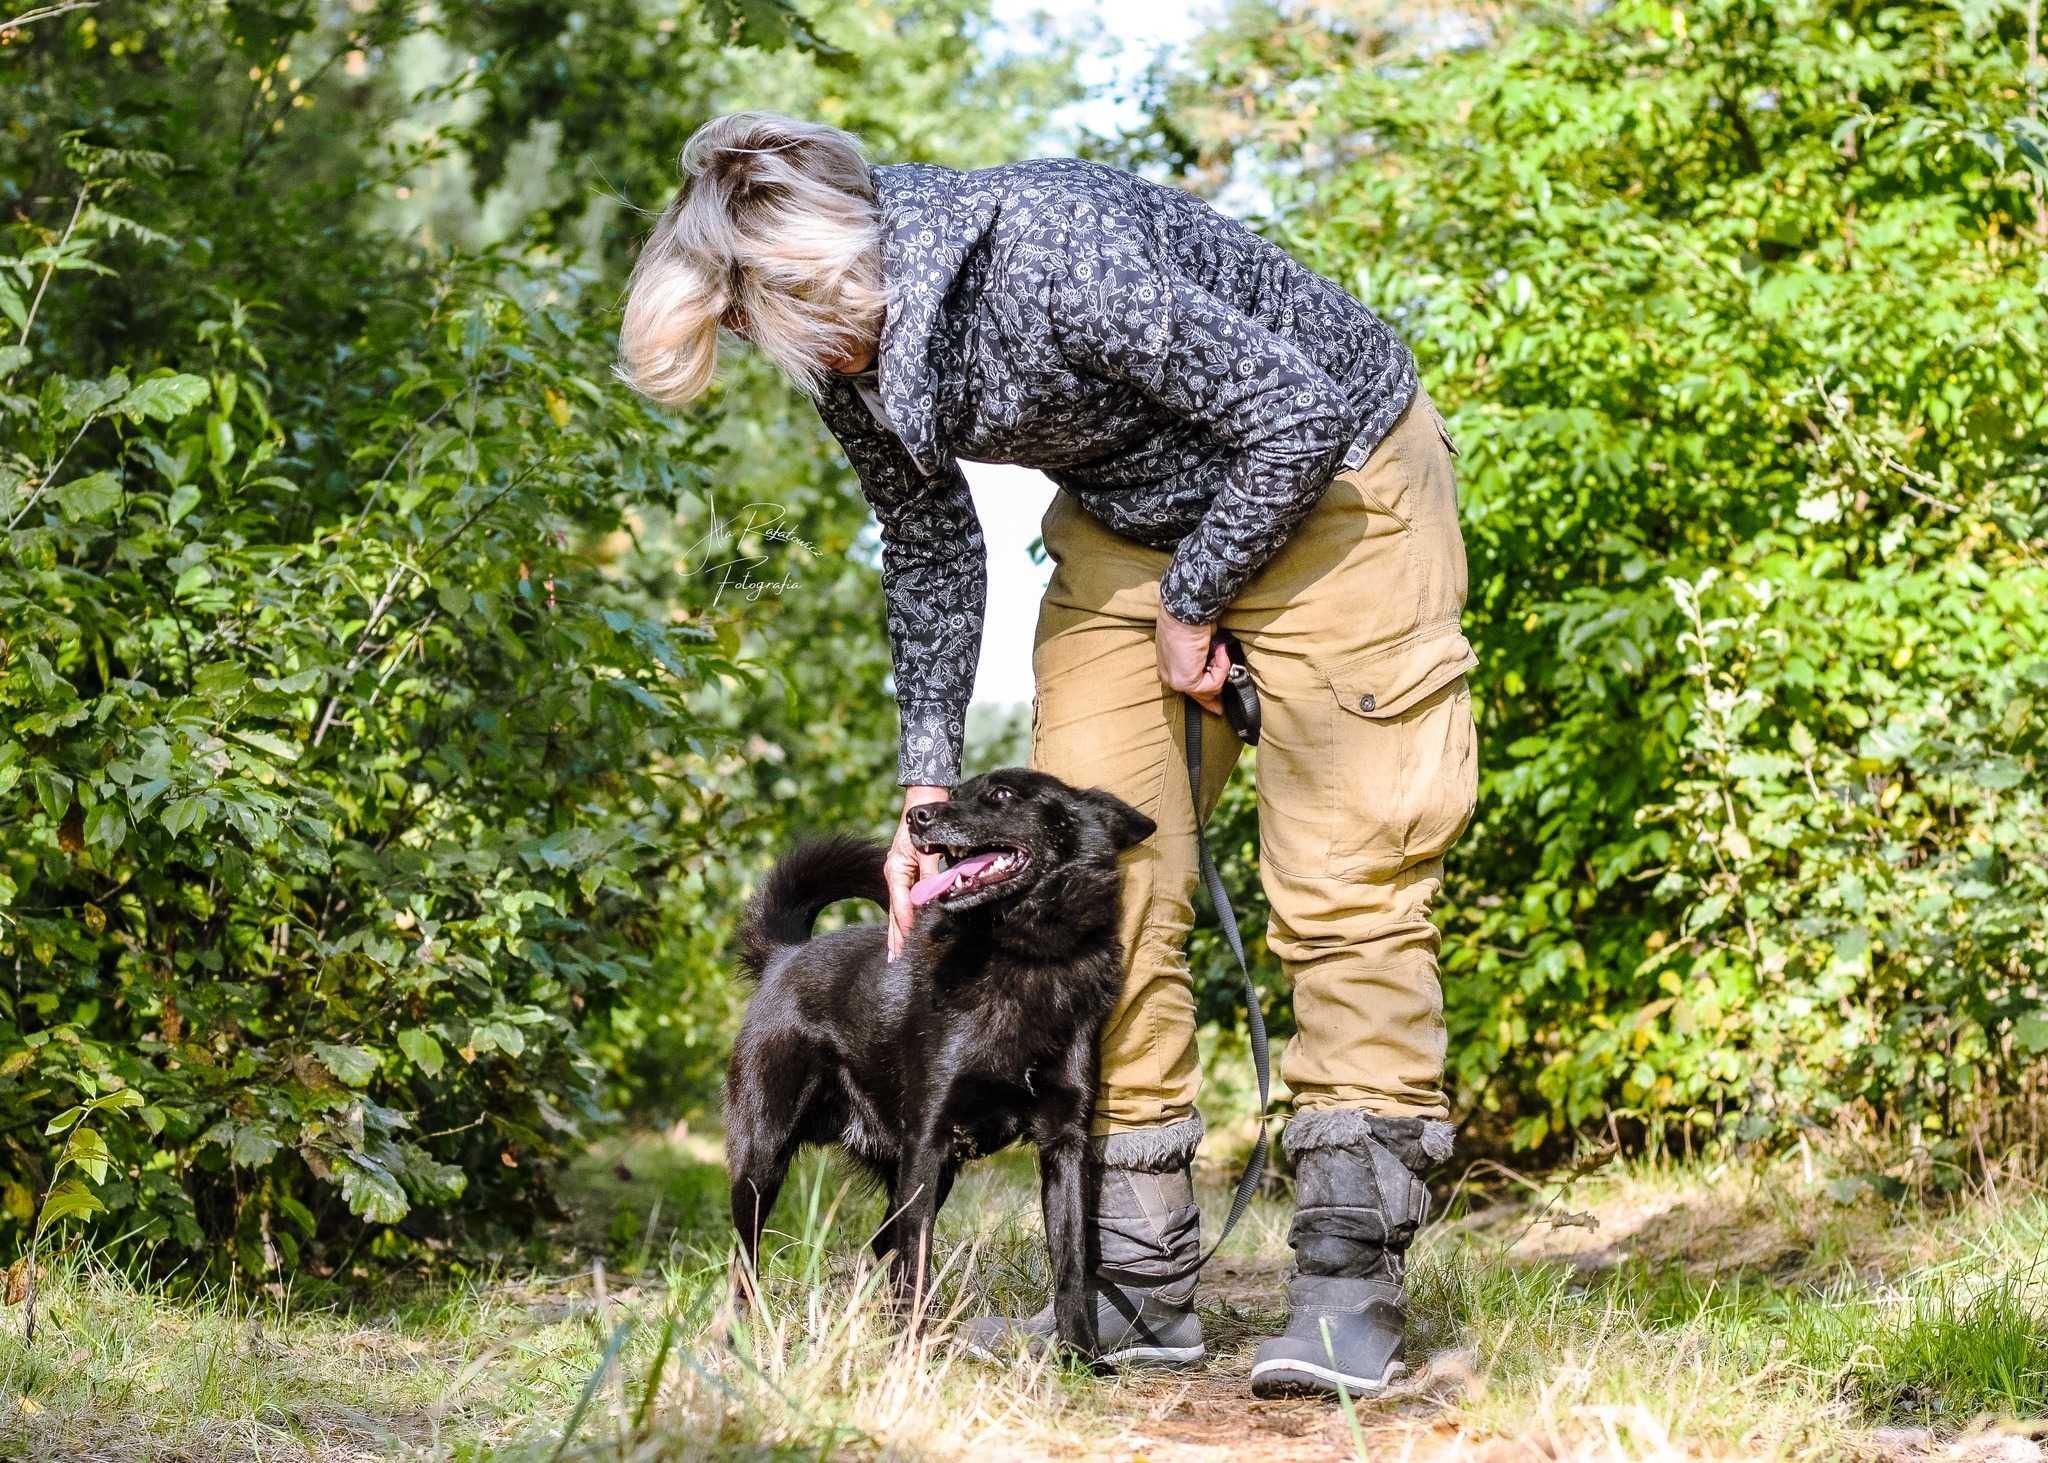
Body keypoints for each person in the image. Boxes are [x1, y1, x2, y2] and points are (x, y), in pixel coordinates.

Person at [617, 111, 1478, 1398]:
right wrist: (924, 795)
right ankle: (1130, 1287)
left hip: (1336, 485)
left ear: (817, 277)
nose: (768, 354)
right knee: (1073, 886)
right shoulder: (848, 344)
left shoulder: (1046, 247)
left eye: (756, 329)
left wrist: (1196, 602)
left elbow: (1286, 413)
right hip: (1134, 524)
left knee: (1343, 880)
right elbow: (926, 543)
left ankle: (1346, 1283)